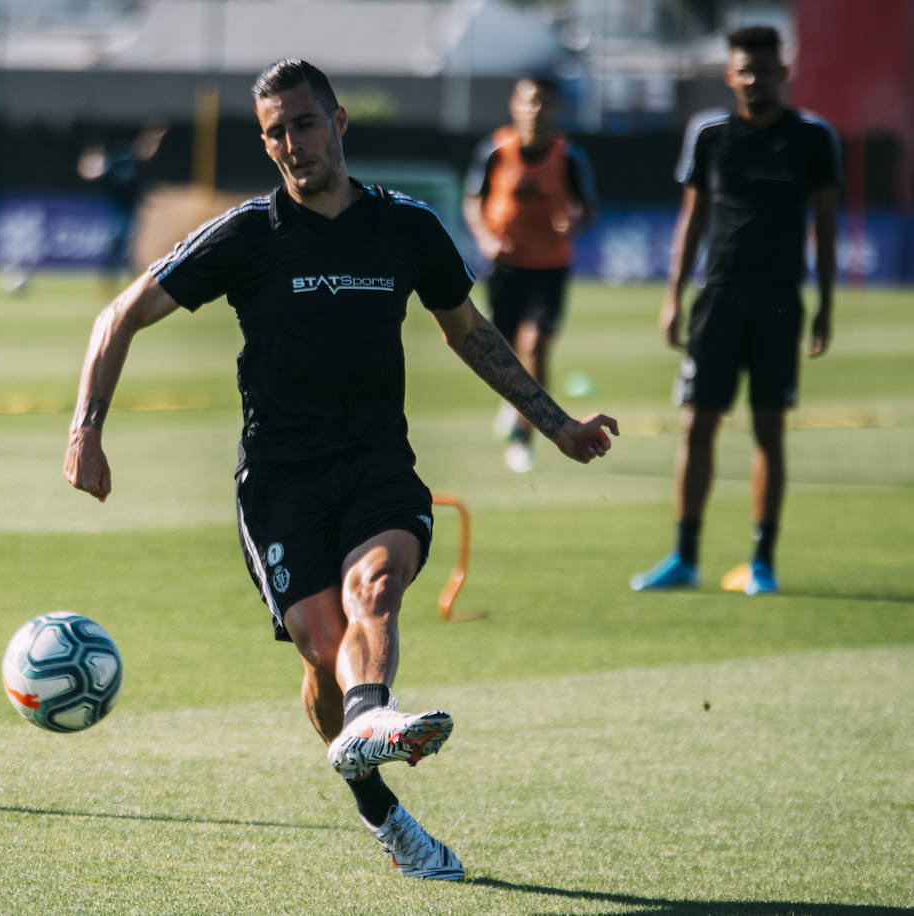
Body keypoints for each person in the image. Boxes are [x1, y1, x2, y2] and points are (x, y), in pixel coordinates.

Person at [64, 59, 617, 880]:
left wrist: (557, 425)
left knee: (376, 590)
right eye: (276, 132)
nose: (293, 143)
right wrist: (87, 429)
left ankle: (372, 715)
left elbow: (470, 332)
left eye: (305, 124)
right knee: (322, 648)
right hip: (280, 482)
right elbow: (120, 315)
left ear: (340, 122)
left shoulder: (407, 228)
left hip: (376, 465)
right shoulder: (249, 234)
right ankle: (383, 811)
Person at [631, 26, 839, 595]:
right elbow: (692, 220)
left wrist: (825, 305)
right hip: (717, 299)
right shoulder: (709, 134)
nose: (754, 80)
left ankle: (763, 561)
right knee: (697, 426)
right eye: (744, 70)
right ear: (730, 75)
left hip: (779, 303)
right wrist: (673, 296)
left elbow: (823, 227)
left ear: (783, 73)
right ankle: (685, 555)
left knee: (769, 429)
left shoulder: (813, 139)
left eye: (764, 70)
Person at [463, 76, 597, 473]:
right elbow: (473, 202)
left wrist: (575, 222)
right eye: (529, 101)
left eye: (544, 103)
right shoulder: (494, 150)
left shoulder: (570, 157)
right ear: (515, 105)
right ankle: (514, 407)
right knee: (504, 353)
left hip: (550, 267)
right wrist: (485, 237)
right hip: (505, 267)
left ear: (555, 109)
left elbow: (588, 210)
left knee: (536, 347)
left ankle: (523, 435)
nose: (536, 110)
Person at [76, 120, 167, 296]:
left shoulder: (126, 157)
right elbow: (89, 172)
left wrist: (153, 136)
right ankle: (112, 286)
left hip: (130, 215)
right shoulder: (111, 163)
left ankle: (134, 287)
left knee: (128, 253)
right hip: (116, 216)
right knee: (116, 253)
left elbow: (144, 151)